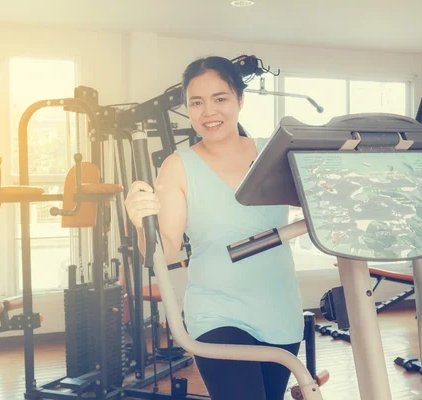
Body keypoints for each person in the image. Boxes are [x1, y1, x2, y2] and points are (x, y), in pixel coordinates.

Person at [124, 56, 304, 400]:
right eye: (197, 102)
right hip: (217, 311)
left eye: (219, 99)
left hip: (280, 309)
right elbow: (166, 250)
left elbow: (319, 203)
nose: (208, 112)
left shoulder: (274, 152)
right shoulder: (177, 166)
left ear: (239, 100)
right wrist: (139, 222)